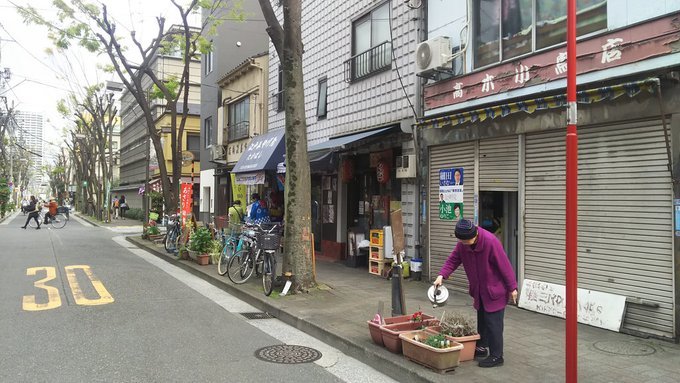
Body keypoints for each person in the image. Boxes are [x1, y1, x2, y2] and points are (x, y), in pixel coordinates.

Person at [433, 219, 517, 368]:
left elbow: (505, 266)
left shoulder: (491, 242)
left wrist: (513, 288)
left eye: (468, 241)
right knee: (483, 320)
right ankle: (481, 347)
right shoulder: (463, 244)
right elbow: (453, 260)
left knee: (494, 324)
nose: (466, 244)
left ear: (476, 233)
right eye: (463, 241)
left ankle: (497, 356)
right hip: (480, 290)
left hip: (494, 290)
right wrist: (442, 275)